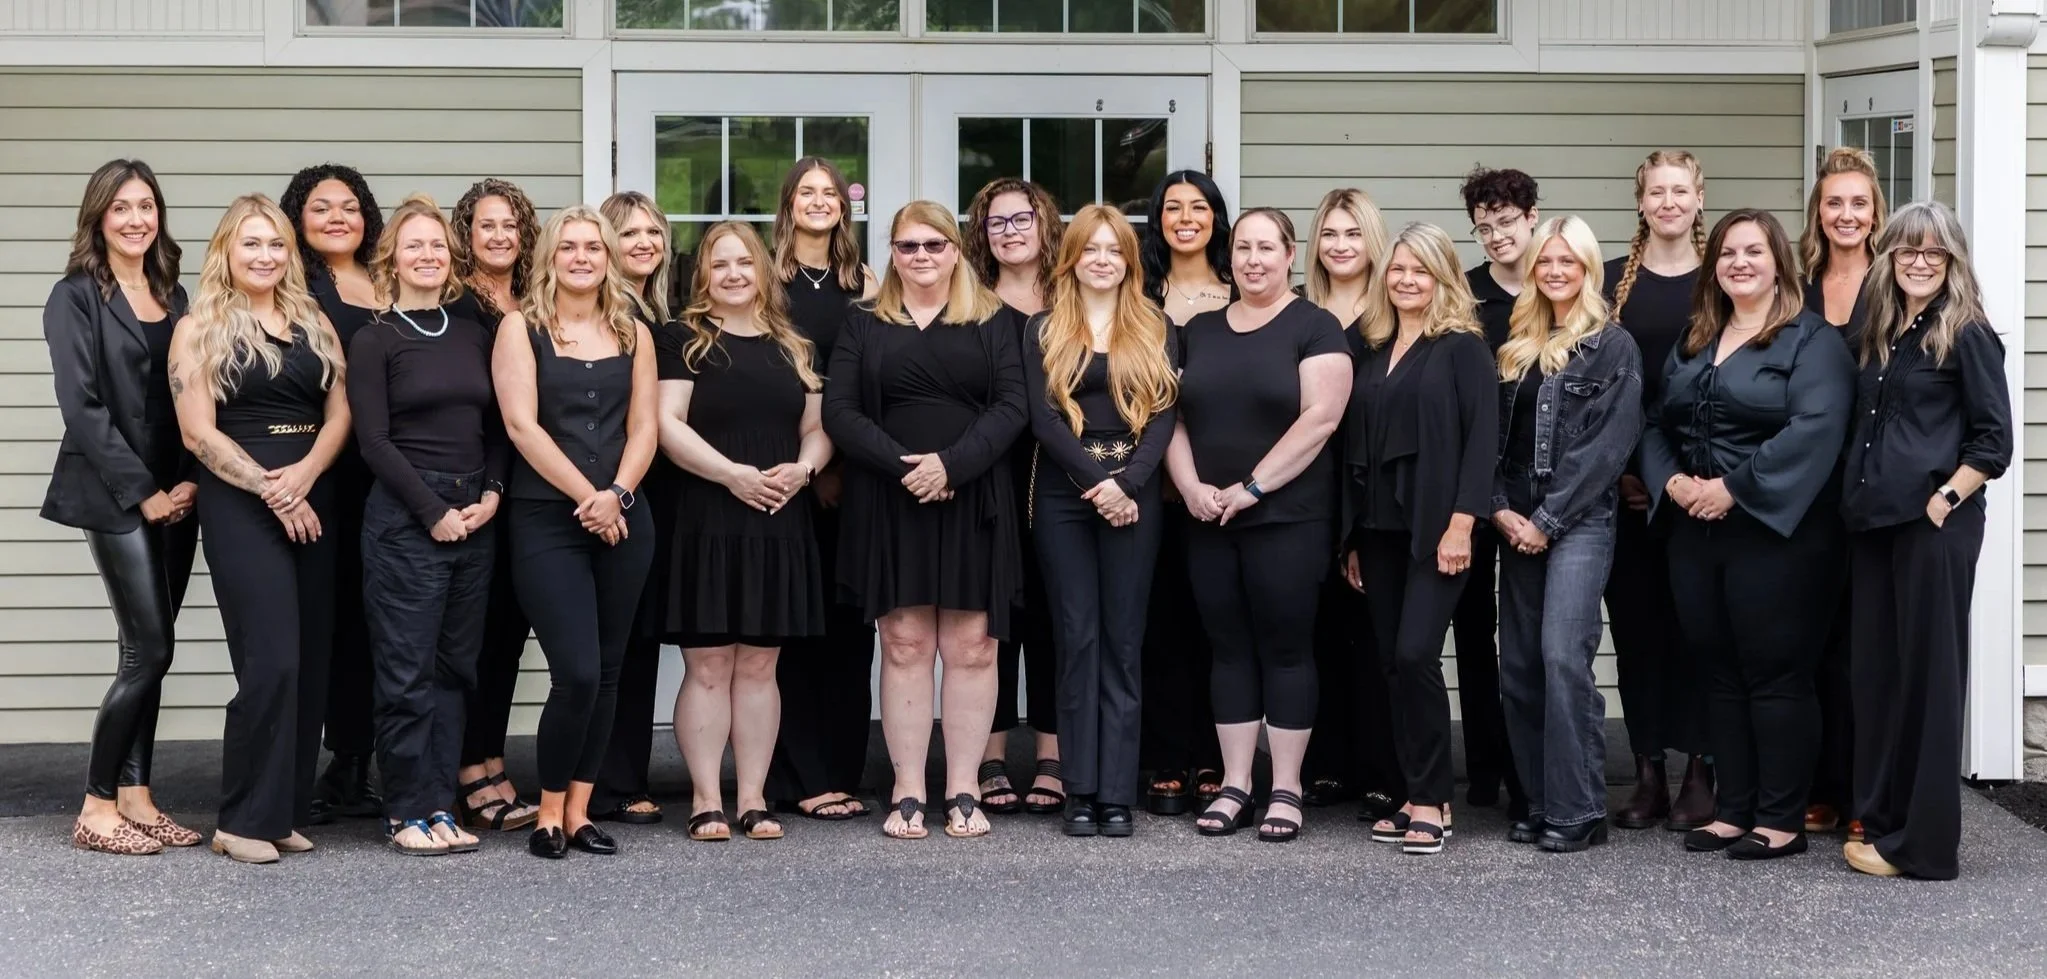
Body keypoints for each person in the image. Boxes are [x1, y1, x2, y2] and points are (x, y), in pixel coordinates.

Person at [1640, 209, 1854, 861]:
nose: (1738, 261)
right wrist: (1672, 484)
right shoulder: (1697, 334)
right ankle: (1732, 809)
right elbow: (1654, 420)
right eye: (1728, 251)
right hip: (1694, 531)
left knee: (1776, 674)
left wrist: (1729, 488)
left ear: (1777, 262)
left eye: (1753, 251)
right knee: (1719, 673)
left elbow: (1814, 428)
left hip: (1777, 532)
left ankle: (1781, 818)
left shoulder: (1809, 341)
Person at [823, 200, 1027, 840]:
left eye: (934, 246)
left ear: (956, 251)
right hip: (890, 496)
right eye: (908, 247)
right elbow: (841, 412)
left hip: (973, 496)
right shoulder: (863, 323)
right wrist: (908, 468)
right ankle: (909, 784)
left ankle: (963, 784)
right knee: (905, 642)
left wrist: (952, 466)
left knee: (972, 646)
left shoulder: (994, 321)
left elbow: (1014, 406)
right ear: (891, 252)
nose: (921, 258)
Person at [169, 194, 352, 863]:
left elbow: (340, 414)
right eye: (251, 244)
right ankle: (240, 818)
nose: (265, 256)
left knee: (308, 663)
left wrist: (304, 473)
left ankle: (282, 811)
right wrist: (273, 488)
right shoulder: (200, 326)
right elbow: (197, 432)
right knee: (269, 659)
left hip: (314, 491)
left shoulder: (313, 320)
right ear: (227, 250)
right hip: (244, 502)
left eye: (275, 244)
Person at [1841, 201, 2011, 879]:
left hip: (1930, 529)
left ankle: (1924, 846)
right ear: (1888, 257)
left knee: (1928, 681)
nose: (1917, 261)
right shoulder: (1883, 328)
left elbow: (1992, 439)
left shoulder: (1964, 331)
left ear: (1951, 262)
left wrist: (1944, 498)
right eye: (1906, 250)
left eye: (1932, 252)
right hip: (1873, 527)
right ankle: (1883, 823)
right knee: (1880, 678)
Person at [1170, 207, 1352, 843]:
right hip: (1208, 516)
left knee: (1285, 648)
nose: (1253, 259)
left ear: (1290, 254)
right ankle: (1236, 782)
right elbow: (1173, 417)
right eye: (1242, 247)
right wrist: (1191, 487)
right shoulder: (1198, 330)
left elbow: (1319, 421)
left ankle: (1287, 787)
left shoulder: (1315, 326)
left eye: (1266, 248)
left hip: (1286, 518)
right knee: (1227, 648)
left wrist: (1250, 489)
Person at [44, 160, 203, 855]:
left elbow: (199, 391)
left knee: (149, 648)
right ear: (98, 218)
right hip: (116, 493)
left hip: (180, 490)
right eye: (121, 208)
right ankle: (96, 803)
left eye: (147, 206)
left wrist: (193, 475)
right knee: (151, 647)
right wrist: (145, 491)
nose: (137, 218)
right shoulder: (74, 296)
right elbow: (81, 406)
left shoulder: (174, 293)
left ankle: (138, 795)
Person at [493, 206, 659, 860]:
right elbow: (520, 426)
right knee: (578, 671)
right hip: (546, 517)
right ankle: (548, 809)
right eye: (570, 246)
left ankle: (581, 811)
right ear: (551, 258)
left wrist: (617, 493)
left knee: (611, 669)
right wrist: (587, 495)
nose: (582, 256)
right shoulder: (520, 328)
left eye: (594, 246)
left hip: (624, 516)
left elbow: (644, 426)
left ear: (609, 257)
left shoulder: (633, 330)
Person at [657, 222, 831, 843]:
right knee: (707, 664)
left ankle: (753, 798)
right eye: (719, 263)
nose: (733, 274)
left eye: (744, 263)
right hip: (708, 513)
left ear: (763, 271)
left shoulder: (795, 344)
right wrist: (731, 475)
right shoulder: (683, 339)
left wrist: (805, 468)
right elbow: (667, 424)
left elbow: (818, 425)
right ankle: (706, 798)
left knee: (761, 664)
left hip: (778, 514)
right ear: (703, 274)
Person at [349, 195, 503, 856]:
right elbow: (374, 442)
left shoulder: (474, 330)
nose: (428, 255)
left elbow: (499, 425)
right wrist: (432, 511)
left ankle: (441, 804)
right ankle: (405, 809)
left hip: (476, 515)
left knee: (454, 670)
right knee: (407, 672)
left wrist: (493, 493)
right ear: (393, 257)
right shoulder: (375, 337)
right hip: (407, 519)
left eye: (437, 246)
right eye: (414, 245)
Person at [1024, 204, 1179, 837]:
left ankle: (1117, 791)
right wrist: (1099, 485)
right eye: (1091, 249)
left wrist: (1130, 484)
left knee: (1123, 642)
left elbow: (1166, 413)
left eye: (1115, 250)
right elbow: (1043, 421)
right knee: (1076, 637)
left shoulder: (1157, 326)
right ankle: (1079, 789)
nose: (1103, 260)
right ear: (1072, 259)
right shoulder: (1041, 328)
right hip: (1065, 497)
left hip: (1135, 494)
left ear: (1129, 262)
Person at [1341, 222, 1495, 856]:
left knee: (1414, 656)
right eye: (1398, 269)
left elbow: (1482, 439)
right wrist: (1349, 539)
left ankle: (1433, 800)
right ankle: (1412, 791)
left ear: (1443, 278)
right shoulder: (1372, 347)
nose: (1406, 280)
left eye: (1420, 270)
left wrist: (1463, 521)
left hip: (1437, 530)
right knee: (1388, 663)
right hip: (1375, 531)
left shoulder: (1461, 346)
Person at [1489, 216, 1643, 852]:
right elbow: (1490, 442)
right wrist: (1500, 510)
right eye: (1546, 262)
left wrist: (1547, 521)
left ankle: (1580, 810)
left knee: (1561, 656)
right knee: (1519, 664)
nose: (1554, 271)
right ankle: (1538, 801)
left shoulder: (1613, 346)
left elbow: (1607, 448)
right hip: (1514, 519)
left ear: (1588, 270)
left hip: (1578, 521)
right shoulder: (1515, 344)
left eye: (1568, 263)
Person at [764, 157, 882, 822]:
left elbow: (863, 382)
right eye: (805, 192)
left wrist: (836, 463)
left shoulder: (863, 282)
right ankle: (793, 774)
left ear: (844, 206)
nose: (817, 202)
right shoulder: (766, 281)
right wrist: (804, 467)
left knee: (846, 628)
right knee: (789, 628)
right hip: (780, 473)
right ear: (788, 204)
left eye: (828, 194)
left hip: (848, 476)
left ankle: (839, 768)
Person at [1604, 149, 1715, 832]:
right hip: (1623, 490)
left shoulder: (1720, 281)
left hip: (1702, 490)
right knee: (1637, 630)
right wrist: (1624, 471)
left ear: (1699, 198)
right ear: (1639, 201)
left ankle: (1700, 770)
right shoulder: (1612, 283)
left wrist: (1686, 478)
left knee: (1697, 629)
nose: (1668, 201)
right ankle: (1647, 771)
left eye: (1680, 190)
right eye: (1656, 191)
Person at [280, 163, 385, 824]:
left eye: (349, 206)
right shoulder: (291, 284)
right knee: (322, 620)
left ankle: (360, 759)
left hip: (390, 473)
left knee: (376, 623)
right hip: (319, 471)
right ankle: (309, 769)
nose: (338, 217)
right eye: (321, 207)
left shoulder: (390, 281)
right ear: (299, 217)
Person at [964, 177, 1067, 817]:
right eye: (996, 222)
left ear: (1044, 223)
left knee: (1057, 616)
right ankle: (990, 755)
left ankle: (1053, 756)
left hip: (1062, 476)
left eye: (1021, 219)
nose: (1010, 231)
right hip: (990, 474)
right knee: (993, 621)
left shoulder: (1074, 299)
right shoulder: (970, 304)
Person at [1298, 188, 1402, 820]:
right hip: (1308, 490)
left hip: (1372, 495)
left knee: (1374, 639)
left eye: (1353, 234)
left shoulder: (1392, 313)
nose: (1340, 245)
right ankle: (1327, 766)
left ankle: (1383, 771)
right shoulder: (1300, 313)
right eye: (1330, 234)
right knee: (1318, 636)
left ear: (1373, 241)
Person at [448, 178, 543, 833]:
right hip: (479, 480)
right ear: (467, 234)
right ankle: (465, 767)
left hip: (530, 486)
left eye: (510, 225)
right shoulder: (456, 304)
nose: (500, 236)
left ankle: (490, 757)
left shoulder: (536, 301)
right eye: (487, 225)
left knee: (507, 636)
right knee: (472, 640)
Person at [1798, 146, 1887, 836]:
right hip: (1803, 487)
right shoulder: (1794, 285)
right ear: (1817, 212)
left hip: (1870, 486)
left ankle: (1863, 793)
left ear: (1874, 209)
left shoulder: (1896, 283)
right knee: (1810, 641)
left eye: (1858, 202)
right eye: (1834, 202)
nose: (1845, 214)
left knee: (1863, 647)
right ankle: (1818, 786)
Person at [1136, 170, 1231, 816]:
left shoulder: (1239, 291)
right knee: (1159, 625)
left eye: (1198, 207)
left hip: (1223, 485)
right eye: (1172, 207)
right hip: (1147, 484)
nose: (1185, 217)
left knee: (1216, 627)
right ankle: (1164, 757)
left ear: (1216, 218)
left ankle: (1214, 757)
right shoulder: (1137, 295)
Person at [589, 190, 678, 827]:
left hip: (662, 490)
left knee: (638, 639)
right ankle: (605, 780)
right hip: (612, 490)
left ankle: (625, 771)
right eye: (629, 234)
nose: (644, 243)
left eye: (653, 232)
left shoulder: (658, 309)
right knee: (608, 642)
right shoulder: (607, 313)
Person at [1455, 166, 1539, 815]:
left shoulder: (1555, 286)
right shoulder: (1466, 295)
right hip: (1472, 482)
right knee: (1473, 629)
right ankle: (1484, 767)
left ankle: (1530, 769)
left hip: (1537, 488)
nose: (1493, 236)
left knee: (1528, 632)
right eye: (1483, 227)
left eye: (1504, 223)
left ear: (1531, 217)